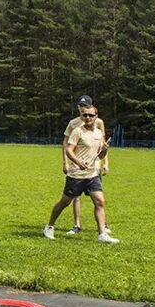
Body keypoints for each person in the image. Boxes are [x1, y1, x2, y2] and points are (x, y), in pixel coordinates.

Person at [44, 102, 119, 243]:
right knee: (65, 202)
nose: (88, 117)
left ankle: (102, 234)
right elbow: (68, 149)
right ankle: (49, 226)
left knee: (100, 201)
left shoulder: (98, 133)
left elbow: (100, 156)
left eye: (91, 115)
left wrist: (105, 149)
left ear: (96, 116)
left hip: (92, 175)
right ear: (82, 116)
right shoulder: (78, 131)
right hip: (77, 175)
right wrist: (77, 162)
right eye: (85, 115)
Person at [61, 94, 109, 235]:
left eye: (86, 105)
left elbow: (103, 143)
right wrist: (65, 161)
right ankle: (77, 224)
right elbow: (66, 143)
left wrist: (105, 162)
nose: (83, 109)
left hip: (94, 165)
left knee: (98, 197)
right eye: (81, 106)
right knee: (75, 196)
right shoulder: (73, 123)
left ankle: (103, 226)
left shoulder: (98, 122)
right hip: (77, 164)